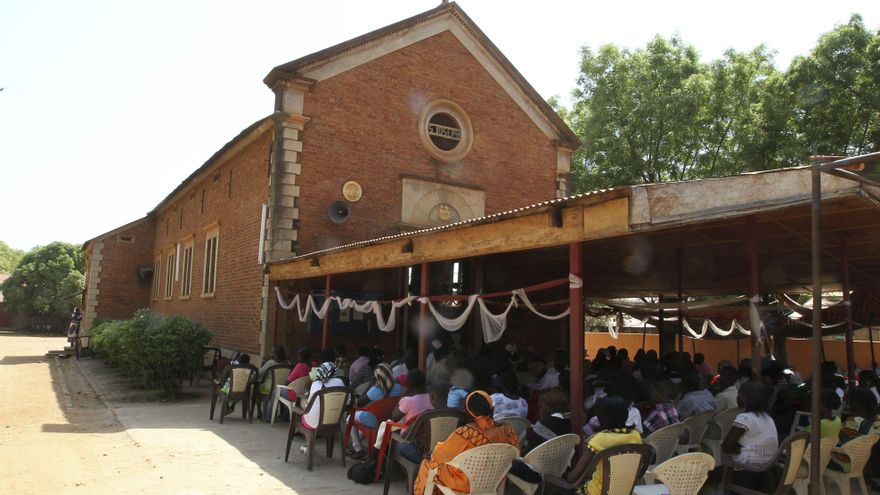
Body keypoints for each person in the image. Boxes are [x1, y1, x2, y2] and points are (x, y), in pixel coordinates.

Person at [413, 391, 519, 495]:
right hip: (494, 480)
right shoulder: (508, 430)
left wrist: (432, 454)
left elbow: (441, 455)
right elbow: (515, 454)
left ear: (468, 411)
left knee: (427, 464)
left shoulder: (467, 433)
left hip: (465, 483)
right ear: (491, 408)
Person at [565, 396, 642, 495]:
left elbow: (575, 476)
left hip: (597, 492)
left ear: (602, 418)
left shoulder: (600, 439)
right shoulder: (636, 436)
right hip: (624, 491)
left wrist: (566, 476)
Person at [722, 382, 777, 489]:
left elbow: (727, 447)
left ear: (748, 398)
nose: (737, 398)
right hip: (766, 469)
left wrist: (736, 447)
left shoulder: (745, 418)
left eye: (739, 395)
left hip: (747, 471)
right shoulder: (768, 418)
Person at [348, 363, 403, 458]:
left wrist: (371, 384)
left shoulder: (376, 390)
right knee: (361, 419)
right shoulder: (399, 387)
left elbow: (360, 403)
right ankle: (356, 443)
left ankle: (357, 448)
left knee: (350, 418)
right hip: (390, 419)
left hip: (375, 420)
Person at [301, 361, 345, 431]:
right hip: (334, 421)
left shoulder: (316, 384)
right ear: (334, 372)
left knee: (303, 405)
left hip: (314, 424)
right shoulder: (340, 382)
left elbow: (309, 405)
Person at [256, 345, 288, 421]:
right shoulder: (288, 362)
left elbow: (260, 373)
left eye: (272, 352)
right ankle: (281, 412)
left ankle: (260, 413)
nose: (271, 354)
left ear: (276, 354)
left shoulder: (271, 363)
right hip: (282, 388)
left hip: (269, 388)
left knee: (255, 389)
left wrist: (262, 365)